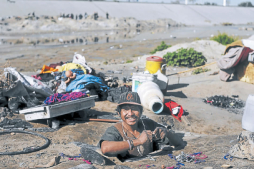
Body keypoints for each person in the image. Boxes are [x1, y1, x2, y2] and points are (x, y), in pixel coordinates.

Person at [99, 92, 183, 160]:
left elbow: (178, 142)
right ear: (119, 113)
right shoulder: (115, 130)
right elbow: (105, 148)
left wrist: (167, 132)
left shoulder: (148, 124)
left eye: (134, 109)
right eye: (126, 109)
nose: (130, 113)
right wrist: (138, 141)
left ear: (141, 111)